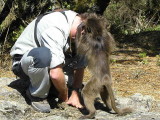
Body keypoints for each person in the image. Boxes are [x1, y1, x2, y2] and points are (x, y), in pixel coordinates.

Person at [10, 10, 96, 113]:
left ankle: (52, 86)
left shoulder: (77, 22)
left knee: (64, 82)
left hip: (50, 64)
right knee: (42, 55)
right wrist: (64, 98)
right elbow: (55, 74)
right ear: (82, 29)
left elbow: (79, 66)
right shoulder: (55, 28)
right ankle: (37, 95)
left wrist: (75, 92)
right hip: (26, 62)